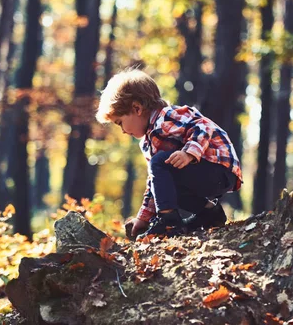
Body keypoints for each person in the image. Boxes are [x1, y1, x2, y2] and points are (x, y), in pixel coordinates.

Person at [96, 68, 243, 238]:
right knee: (164, 183)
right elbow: (156, 184)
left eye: (120, 122)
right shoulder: (149, 142)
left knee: (159, 163)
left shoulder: (167, 117)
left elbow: (203, 126)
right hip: (206, 175)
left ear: (137, 108)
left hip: (219, 167)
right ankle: (210, 214)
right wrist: (142, 219)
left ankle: (168, 221)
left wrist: (189, 153)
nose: (122, 130)